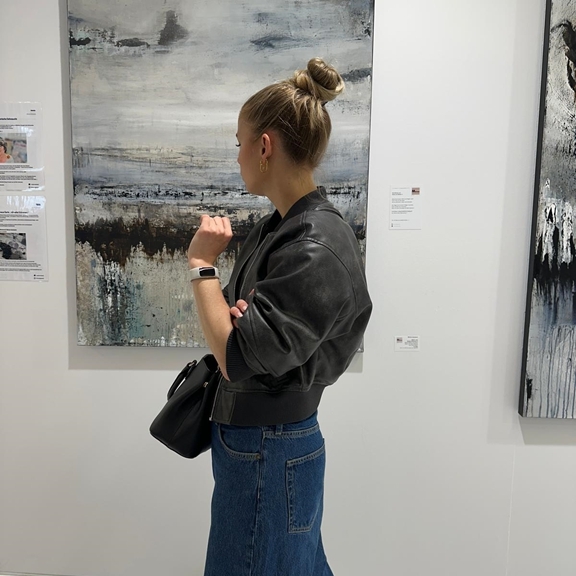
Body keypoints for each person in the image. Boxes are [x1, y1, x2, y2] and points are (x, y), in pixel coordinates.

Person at [187, 57, 372, 576]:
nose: (238, 155)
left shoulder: (312, 242)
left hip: (268, 446)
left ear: (264, 146)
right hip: (264, 443)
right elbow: (232, 324)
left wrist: (202, 266)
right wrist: (234, 321)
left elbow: (234, 354)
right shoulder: (283, 228)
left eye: (240, 142)